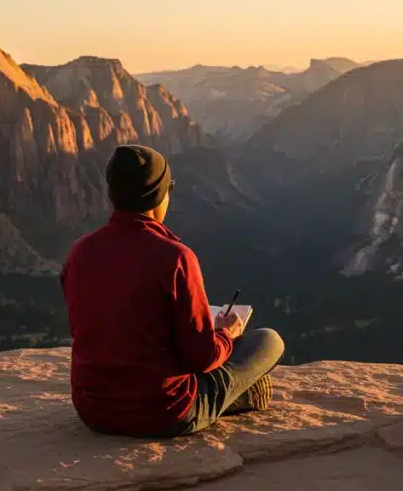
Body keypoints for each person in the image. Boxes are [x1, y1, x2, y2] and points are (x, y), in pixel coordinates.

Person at [61, 144, 284, 438]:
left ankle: (231, 397)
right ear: (158, 196)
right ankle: (234, 397)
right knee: (268, 340)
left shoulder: (79, 252)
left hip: (93, 410)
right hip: (163, 412)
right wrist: (225, 334)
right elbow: (202, 359)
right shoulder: (175, 257)